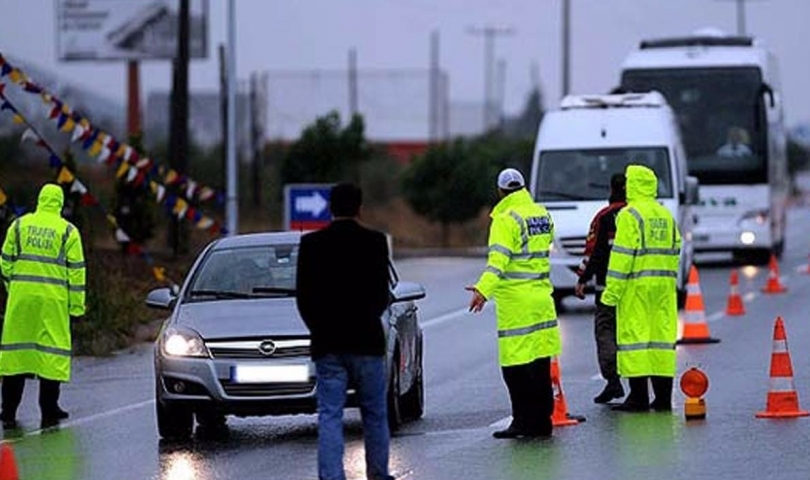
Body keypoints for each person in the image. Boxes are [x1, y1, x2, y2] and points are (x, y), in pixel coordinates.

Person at [295, 182, 394, 480]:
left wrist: (320, 328)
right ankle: (377, 473)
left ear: (329, 208)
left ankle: (331, 476)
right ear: (360, 208)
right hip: (367, 342)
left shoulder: (311, 244)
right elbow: (381, 295)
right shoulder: (375, 242)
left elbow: (304, 297)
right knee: (375, 415)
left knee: (329, 416)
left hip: (328, 344)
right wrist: (365, 319)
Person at [466, 167, 561, 438]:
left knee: (515, 368)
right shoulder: (542, 214)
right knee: (540, 364)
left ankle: (522, 422)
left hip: (517, 304)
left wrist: (483, 290)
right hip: (542, 298)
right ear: (523, 187)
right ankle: (543, 423)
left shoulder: (505, 219)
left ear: (500, 191)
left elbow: (498, 262)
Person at [0, 183, 86, 429]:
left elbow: (5, 261)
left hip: (21, 300)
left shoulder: (19, 225)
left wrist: (13, 286)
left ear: (39, 200)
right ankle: (49, 409)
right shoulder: (68, 232)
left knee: (17, 356)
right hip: (53, 302)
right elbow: (77, 273)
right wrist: (76, 308)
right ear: (59, 203)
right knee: (51, 354)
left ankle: (7, 412)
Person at [601, 165, 681, 412]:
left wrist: (610, 294)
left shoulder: (629, 215)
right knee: (660, 341)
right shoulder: (664, 214)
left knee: (636, 340)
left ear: (633, 185)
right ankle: (663, 397)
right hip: (664, 289)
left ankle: (638, 397)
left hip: (636, 288)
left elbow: (621, 258)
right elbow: (676, 248)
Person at [574, 173, 627, 404]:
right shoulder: (639, 215)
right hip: (636, 289)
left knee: (606, 332)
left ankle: (613, 381)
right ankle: (640, 386)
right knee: (633, 335)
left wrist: (582, 279)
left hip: (607, 288)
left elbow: (593, 252)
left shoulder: (603, 217)